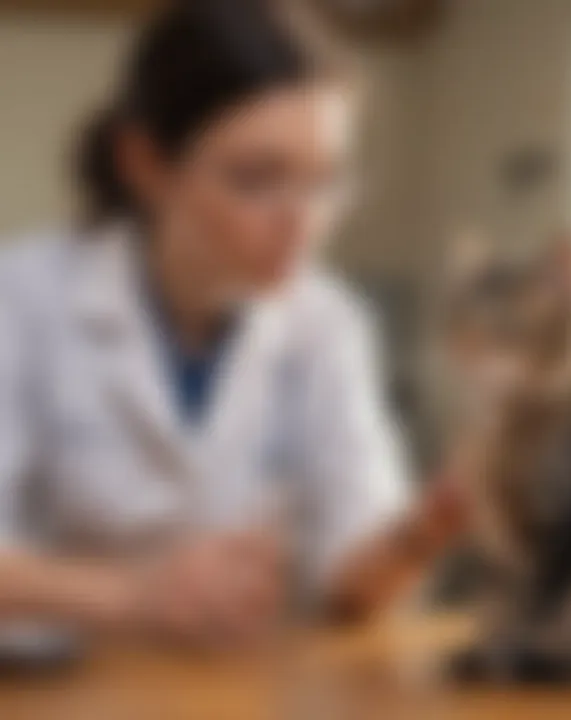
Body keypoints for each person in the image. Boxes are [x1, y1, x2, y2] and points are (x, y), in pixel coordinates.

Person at [0, 0, 464, 646]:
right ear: (145, 164)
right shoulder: (22, 299)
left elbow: (353, 586)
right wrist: (135, 594)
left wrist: (422, 533)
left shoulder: (329, 325)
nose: (304, 222)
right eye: (256, 179)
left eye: (325, 181)